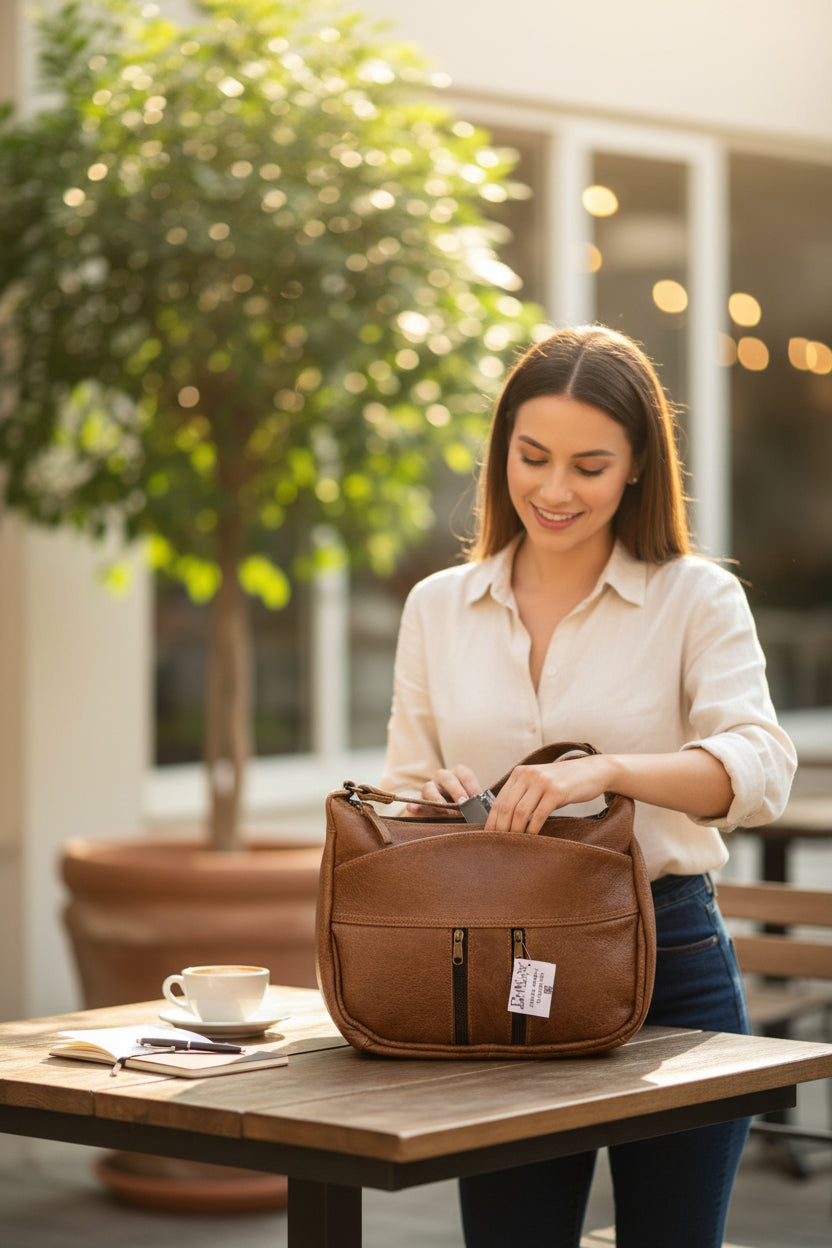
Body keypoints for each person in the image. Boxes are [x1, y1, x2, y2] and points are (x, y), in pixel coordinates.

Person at [381, 325, 796, 1248]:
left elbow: (763, 766)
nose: (555, 490)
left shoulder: (696, 598)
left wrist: (608, 774)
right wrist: (434, 804)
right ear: (502, 454)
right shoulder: (438, 608)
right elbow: (398, 794)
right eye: (532, 458)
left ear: (639, 465)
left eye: (590, 465)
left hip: (670, 963)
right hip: (499, 968)